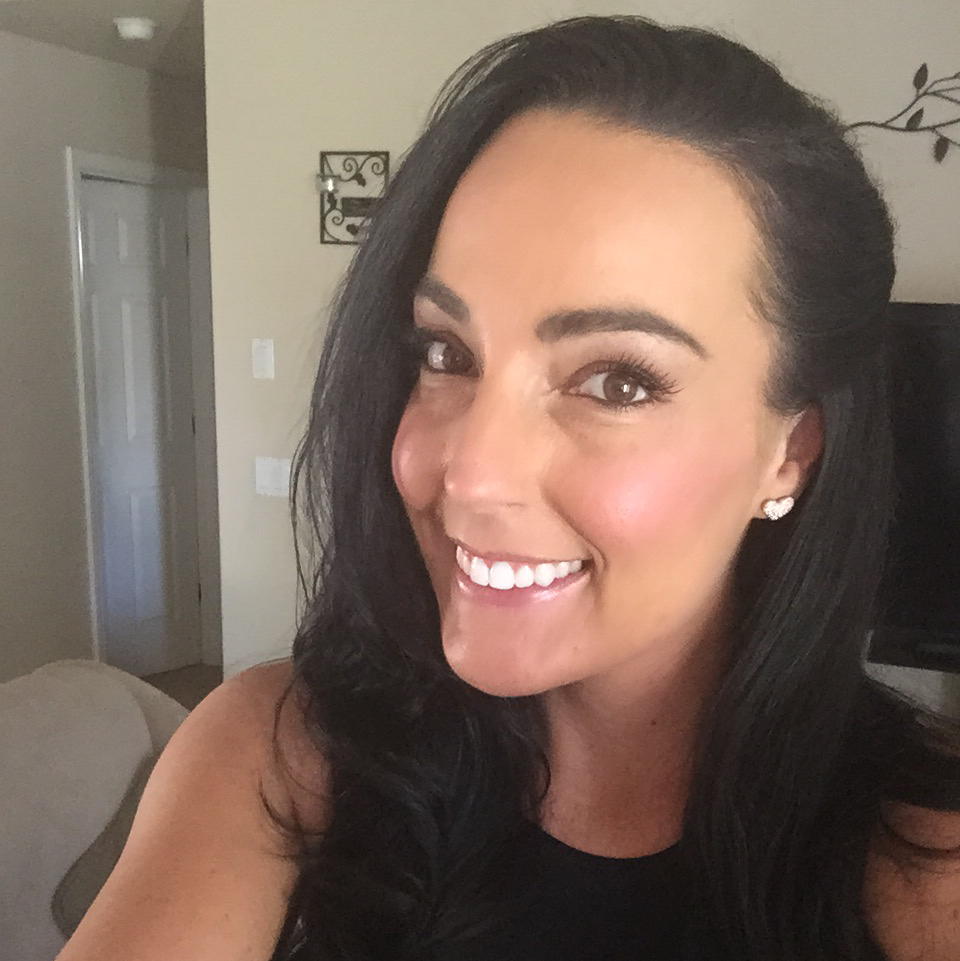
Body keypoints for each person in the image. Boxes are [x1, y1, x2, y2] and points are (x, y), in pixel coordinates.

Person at [57, 15, 960, 961]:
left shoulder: (924, 858)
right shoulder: (278, 752)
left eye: (617, 382)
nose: (471, 473)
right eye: (446, 353)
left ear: (791, 451)